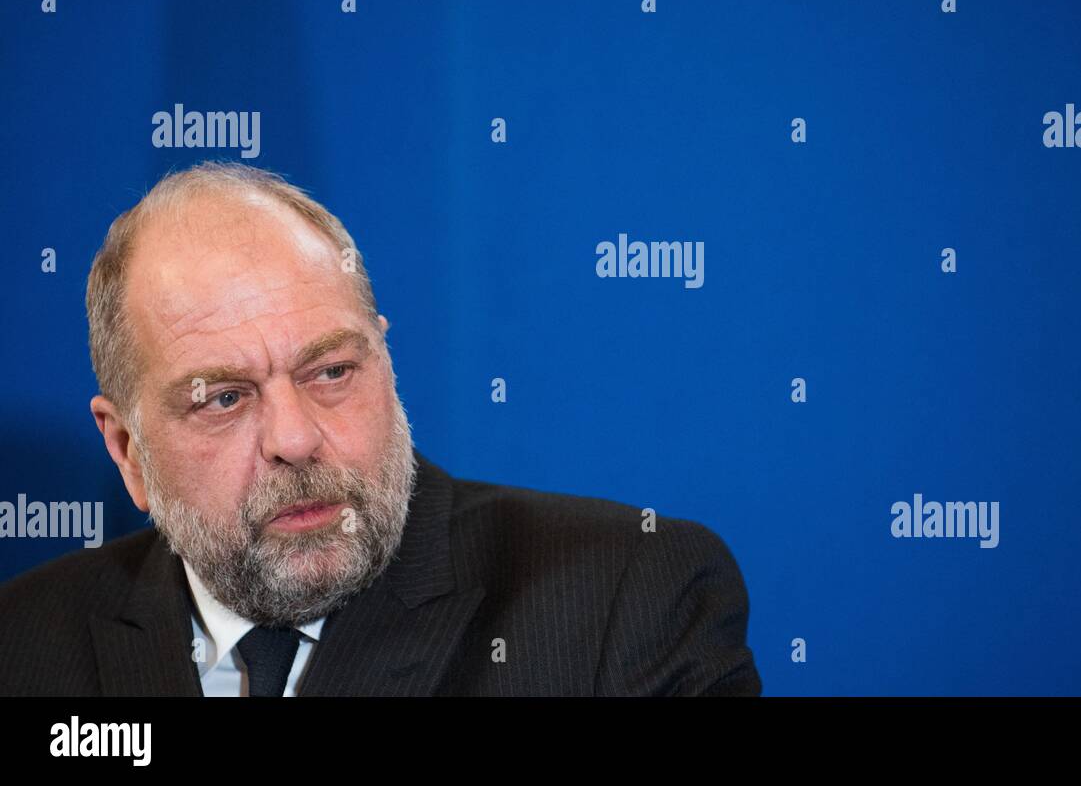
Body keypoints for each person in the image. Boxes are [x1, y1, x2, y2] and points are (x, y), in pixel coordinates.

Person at [0, 161, 761, 696]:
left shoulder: (623, 603)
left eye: (331, 371)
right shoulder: (24, 646)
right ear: (128, 451)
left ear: (386, 363)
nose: (295, 439)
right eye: (223, 398)